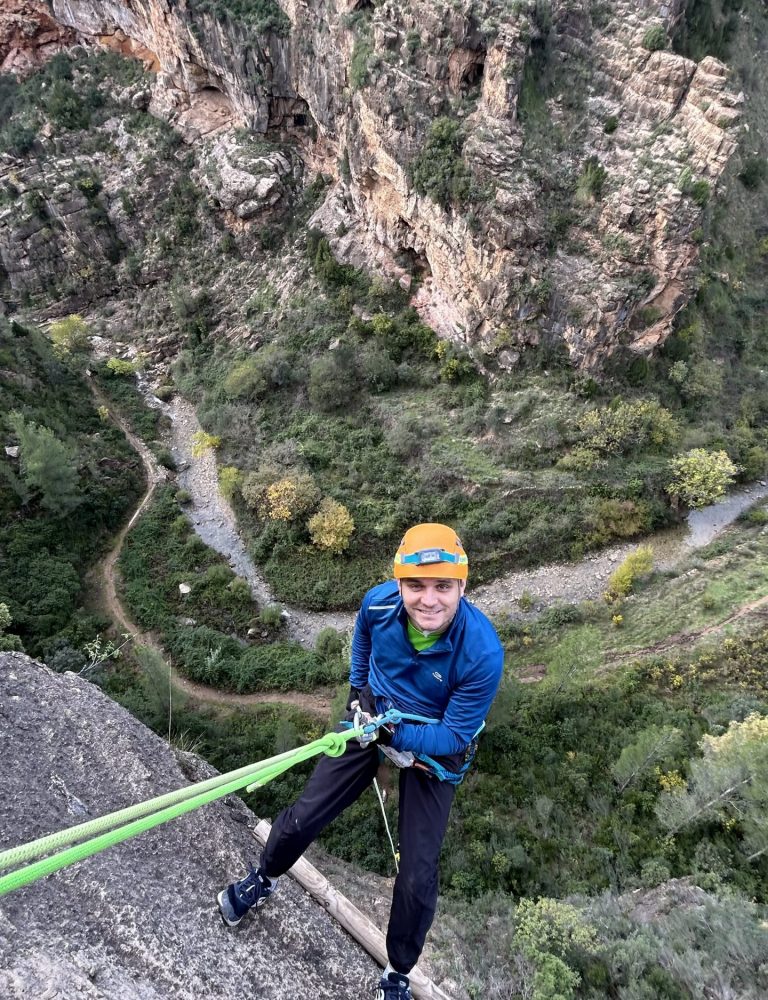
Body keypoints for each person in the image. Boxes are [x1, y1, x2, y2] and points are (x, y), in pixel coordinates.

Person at [217, 523, 504, 1000]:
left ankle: (398, 972)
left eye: (442, 586)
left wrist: (395, 736)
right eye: (415, 585)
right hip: (374, 717)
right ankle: (264, 877)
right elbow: (363, 639)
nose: (428, 600)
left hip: (433, 751)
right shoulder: (378, 604)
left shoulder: (481, 652)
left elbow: (454, 733)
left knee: (417, 876)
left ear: (462, 586)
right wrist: (357, 690)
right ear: (399, 584)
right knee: (306, 813)